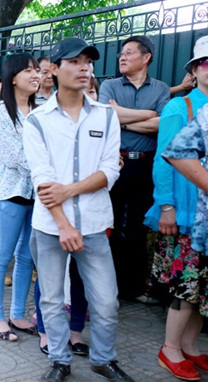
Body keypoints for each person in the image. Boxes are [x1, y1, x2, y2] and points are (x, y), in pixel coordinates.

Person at [23, 38, 133, 382]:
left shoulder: (105, 116)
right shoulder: (37, 120)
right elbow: (42, 178)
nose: (85, 67)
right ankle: (59, 359)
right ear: (54, 69)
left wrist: (70, 189)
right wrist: (63, 224)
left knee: (106, 302)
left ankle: (103, 358)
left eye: (88, 61)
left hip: (95, 223)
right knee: (52, 299)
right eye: (75, 61)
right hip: (49, 226)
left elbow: (111, 170)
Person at [144, 36, 208, 381]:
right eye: (206, 63)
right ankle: (170, 348)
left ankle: (192, 347)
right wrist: (166, 206)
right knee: (186, 284)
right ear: (195, 71)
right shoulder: (178, 108)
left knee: (205, 286)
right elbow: (163, 160)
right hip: (184, 213)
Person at [99, 35, 171, 302]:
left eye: (129, 53)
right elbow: (106, 116)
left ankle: (134, 288)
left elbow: (163, 124)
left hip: (146, 163)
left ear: (146, 57)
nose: (122, 57)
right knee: (112, 222)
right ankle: (110, 287)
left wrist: (123, 119)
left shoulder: (161, 88)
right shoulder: (110, 85)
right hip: (116, 161)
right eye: (122, 53)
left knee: (140, 226)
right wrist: (146, 115)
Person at [0, 54, 40, 341]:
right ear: (13, 77)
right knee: (3, 255)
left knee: (27, 257)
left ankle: (18, 314)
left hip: (39, 194)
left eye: (37, 70)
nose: (36, 75)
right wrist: (47, 169)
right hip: (11, 193)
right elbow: (12, 155)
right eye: (29, 70)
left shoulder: (40, 111)